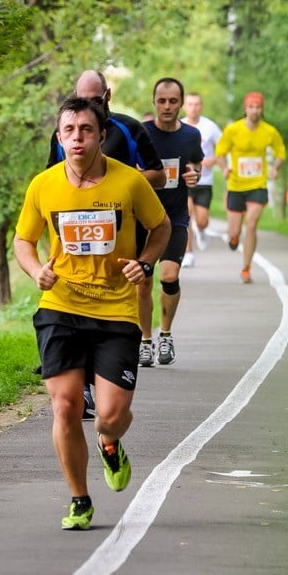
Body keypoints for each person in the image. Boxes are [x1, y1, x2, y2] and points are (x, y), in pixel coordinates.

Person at [14, 95, 171, 531]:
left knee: (109, 415)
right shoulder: (43, 185)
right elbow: (23, 241)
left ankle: (108, 441)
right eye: (69, 131)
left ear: (101, 135)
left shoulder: (129, 183)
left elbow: (161, 227)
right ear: (59, 137)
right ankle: (79, 501)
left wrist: (145, 262)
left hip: (117, 311)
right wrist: (35, 271)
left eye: (86, 130)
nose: (77, 138)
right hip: (61, 306)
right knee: (64, 407)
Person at [48, 70, 166, 417]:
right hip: (75, 234)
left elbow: (158, 175)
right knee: (73, 306)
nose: (88, 106)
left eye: (96, 100)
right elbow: (51, 178)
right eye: (82, 98)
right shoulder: (67, 132)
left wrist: (120, 183)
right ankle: (82, 388)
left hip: (124, 222)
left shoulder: (129, 128)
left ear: (108, 96)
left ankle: (141, 341)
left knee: (141, 284)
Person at [138, 78, 203, 367]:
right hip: (143, 218)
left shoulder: (191, 135)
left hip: (175, 217)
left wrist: (195, 175)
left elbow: (196, 164)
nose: (167, 106)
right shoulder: (142, 133)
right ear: (154, 102)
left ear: (181, 103)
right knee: (142, 281)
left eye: (173, 101)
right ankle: (145, 340)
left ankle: (165, 335)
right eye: (162, 101)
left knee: (168, 276)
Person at [215, 91, 286, 284]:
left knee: (252, 224)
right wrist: (224, 169)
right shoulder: (233, 130)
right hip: (236, 184)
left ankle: (246, 269)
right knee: (234, 231)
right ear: (245, 109)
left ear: (262, 110)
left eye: (258, 107)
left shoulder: (269, 131)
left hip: (258, 184)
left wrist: (275, 168)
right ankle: (234, 238)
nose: (254, 111)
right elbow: (220, 152)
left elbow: (281, 152)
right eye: (251, 107)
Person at [180, 92, 222, 267]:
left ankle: (202, 230)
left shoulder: (210, 126)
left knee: (202, 220)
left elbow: (223, 146)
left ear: (201, 106)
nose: (193, 108)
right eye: (190, 104)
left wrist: (214, 160)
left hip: (204, 180)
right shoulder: (179, 126)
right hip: (186, 179)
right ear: (184, 106)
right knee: (187, 215)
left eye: (196, 104)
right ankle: (188, 253)